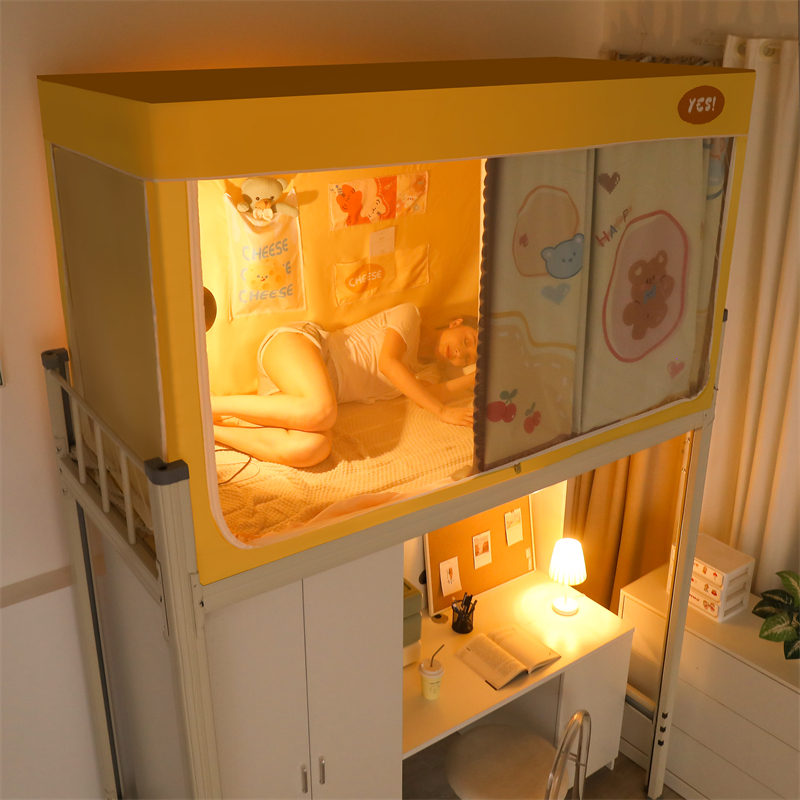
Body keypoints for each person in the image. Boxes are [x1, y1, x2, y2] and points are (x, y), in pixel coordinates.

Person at [211, 303, 477, 467]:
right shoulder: (410, 316)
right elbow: (389, 363)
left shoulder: (429, 373)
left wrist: (475, 376)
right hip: (297, 347)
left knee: (313, 448)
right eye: (466, 341)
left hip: (298, 396)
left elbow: (425, 394)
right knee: (323, 412)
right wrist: (442, 412)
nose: (459, 353)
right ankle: (209, 405)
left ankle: (212, 431)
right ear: (455, 323)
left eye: (466, 358)